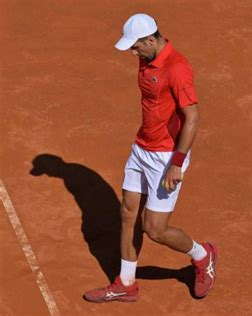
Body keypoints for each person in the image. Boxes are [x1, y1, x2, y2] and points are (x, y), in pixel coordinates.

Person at [84, 13, 217, 303]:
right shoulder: (147, 59)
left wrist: (176, 163)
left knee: (155, 229)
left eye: (136, 47)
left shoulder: (178, 69)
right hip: (141, 148)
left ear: (149, 40)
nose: (133, 53)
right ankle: (126, 283)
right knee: (128, 213)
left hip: (166, 158)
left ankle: (202, 255)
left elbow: (192, 117)